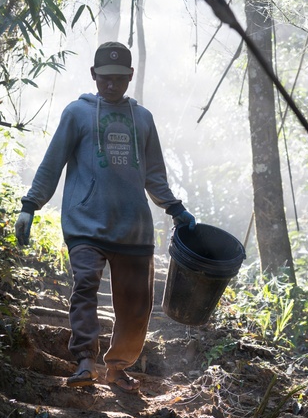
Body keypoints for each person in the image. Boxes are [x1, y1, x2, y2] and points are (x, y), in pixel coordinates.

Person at [14, 41, 195, 392]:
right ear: (93, 75)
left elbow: (154, 175)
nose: (110, 85)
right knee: (84, 287)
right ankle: (84, 361)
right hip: (86, 223)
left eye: (118, 78)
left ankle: (117, 368)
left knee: (136, 304)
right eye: (104, 78)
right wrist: (29, 205)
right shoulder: (76, 114)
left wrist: (175, 208)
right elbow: (51, 165)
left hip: (133, 228)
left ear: (129, 77)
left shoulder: (143, 119)